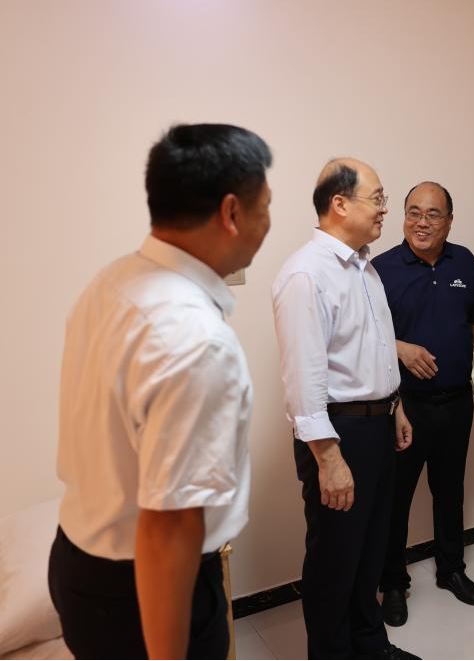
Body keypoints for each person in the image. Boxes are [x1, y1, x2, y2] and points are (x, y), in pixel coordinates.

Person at [49, 124, 272, 660]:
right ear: (231, 213)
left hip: (81, 563)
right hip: (146, 591)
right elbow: (169, 526)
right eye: (265, 206)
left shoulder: (111, 282)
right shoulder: (195, 340)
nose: (268, 222)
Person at [272, 158, 419, 660]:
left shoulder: (364, 268)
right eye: (377, 198)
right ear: (339, 204)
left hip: (377, 425)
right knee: (335, 560)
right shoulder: (306, 274)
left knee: (370, 550)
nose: (384, 209)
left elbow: (372, 352)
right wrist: (328, 458)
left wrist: (395, 406)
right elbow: (304, 379)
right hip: (338, 435)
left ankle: (370, 645)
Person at [372, 181, 474, 626]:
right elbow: (362, 334)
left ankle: (451, 569)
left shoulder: (466, 262)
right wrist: (399, 348)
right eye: (413, 212)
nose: (421, 223)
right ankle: (393, 582)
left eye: (433, 214)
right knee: (396, 499)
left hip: (456, 402)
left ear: (449, 221)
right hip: (402, 408)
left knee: (450, 491)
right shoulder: (380, 269)